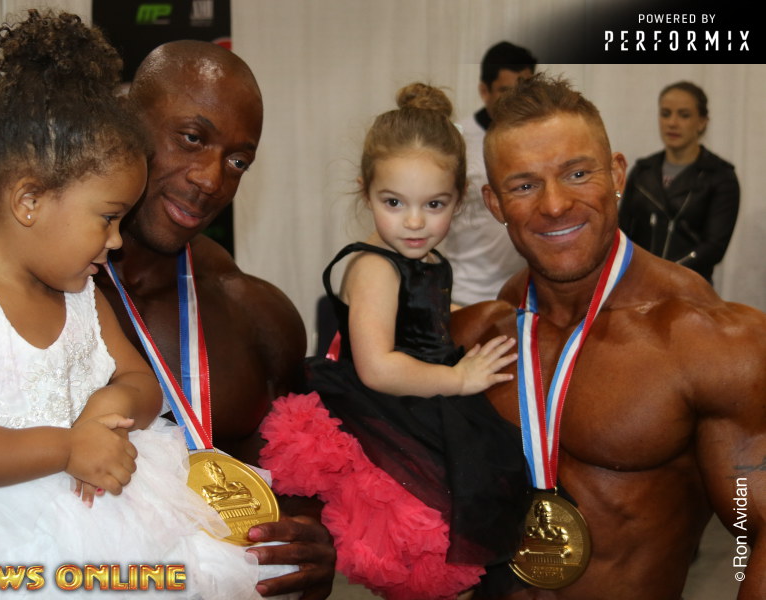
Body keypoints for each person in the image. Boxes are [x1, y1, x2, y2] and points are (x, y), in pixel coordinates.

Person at [0, 37, 334, 600]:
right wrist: (67, 446)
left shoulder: (242, 316)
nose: (212, 178)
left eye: (238, 161)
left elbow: (152, 392)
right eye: (191, 137)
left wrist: (309, 545)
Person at [448, 73, 766, 599]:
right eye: (524, 185)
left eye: (577, 173)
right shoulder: (483, 333)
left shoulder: (705, 339)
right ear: (495, 203)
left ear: (617, 173)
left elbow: (758, 535)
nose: (554, 204)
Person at [259, 83, 529, 600]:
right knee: (422, 540)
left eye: (434, 204)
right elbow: (378, 366)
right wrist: (458, 378)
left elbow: (422, 314)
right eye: (394, 202)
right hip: (387, 411)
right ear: (365, 192)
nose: (414, 221)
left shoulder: (425, 259)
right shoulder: (375, 268)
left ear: (459, 198)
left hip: (423, 397)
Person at [618, 81, 740, 283]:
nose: (672, 123)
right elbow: (622, 231)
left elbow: (714, 247)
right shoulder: (642, 172)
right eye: (665, 114)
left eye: (684, 115)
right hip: (637, 285)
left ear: (702, 122)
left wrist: (664, 273)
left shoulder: (720, 177)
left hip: (689, 289)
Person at [444, 42, 536, 306]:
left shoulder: (540, 139)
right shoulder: (456, 140)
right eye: (506, 91)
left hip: (525, 294)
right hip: (464, 296)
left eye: (524, 90)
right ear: (484, 91)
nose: (516, 100)